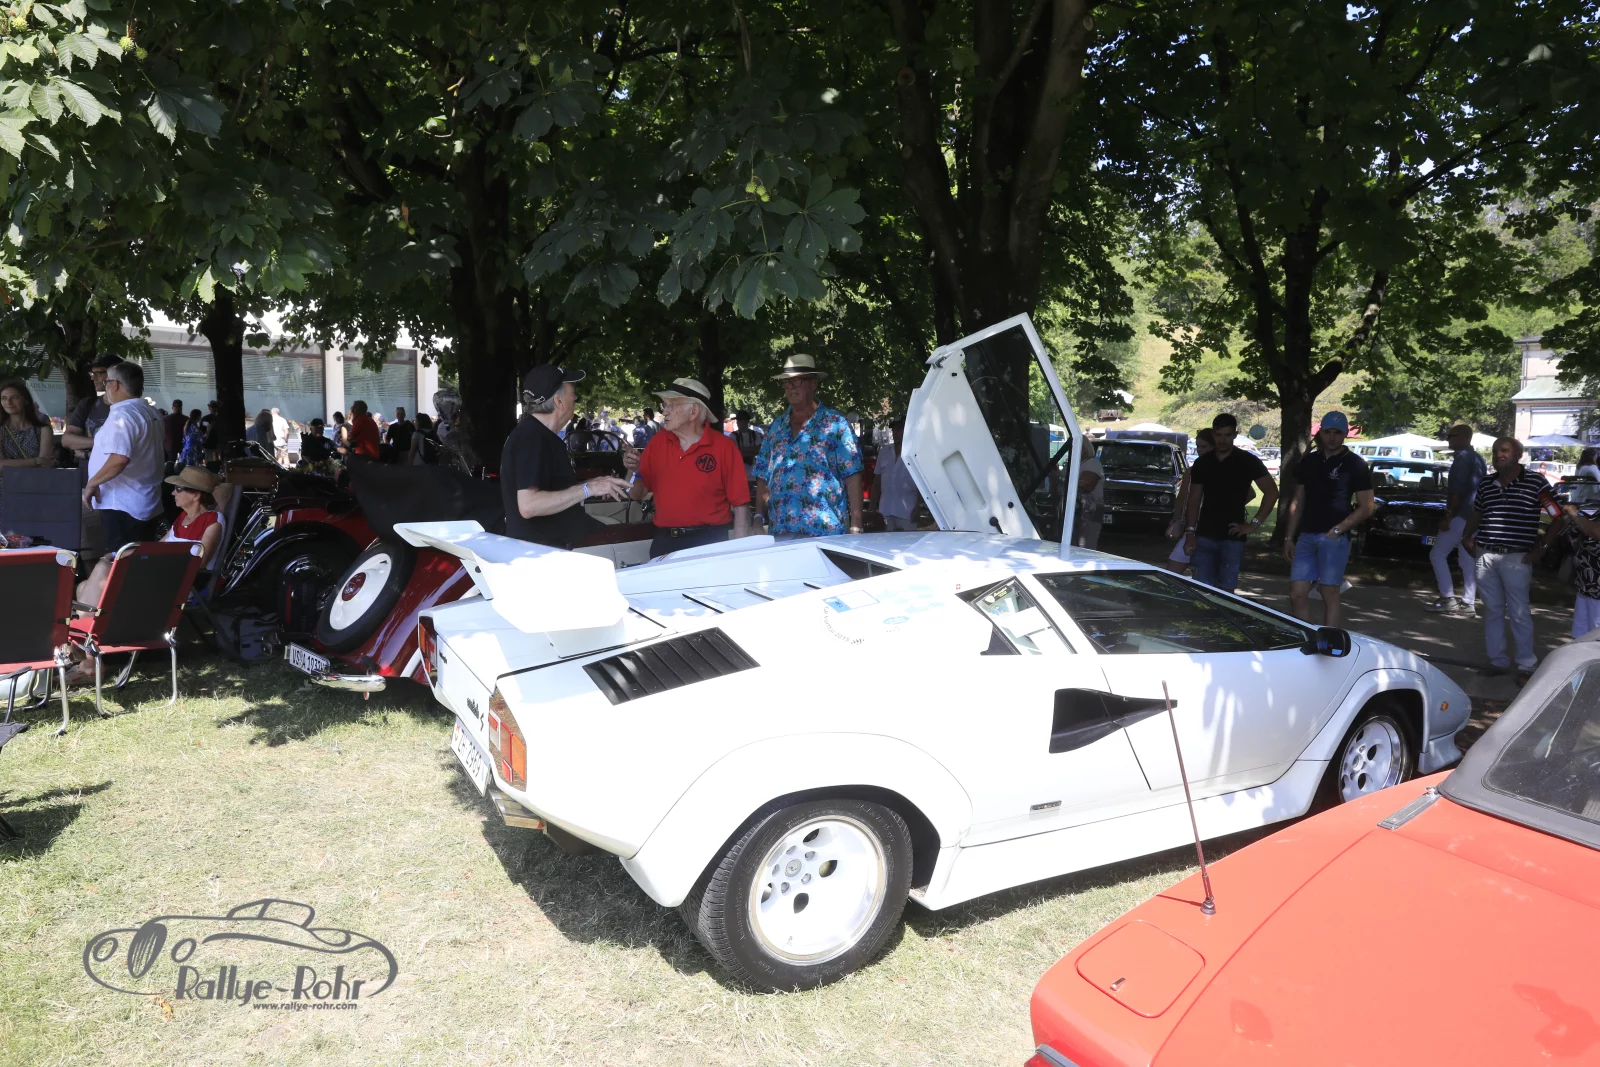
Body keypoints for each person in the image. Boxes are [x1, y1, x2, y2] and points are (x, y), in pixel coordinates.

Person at [1462, 437, 1562, 681]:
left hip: (1517, 557)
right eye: (1496, 450)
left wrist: (1542, 548)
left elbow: (1558, 517)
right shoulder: (1486, 483)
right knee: (1492, 610)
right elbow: (1478, 512)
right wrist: (1466, 536)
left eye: (1505, 450)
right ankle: (1497, 661)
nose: (1499, 454)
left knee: (1519, 612)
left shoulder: (1536, 483)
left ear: (1518, 455)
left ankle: (1526, 665)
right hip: (1485, 554)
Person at [501, 365, 630, 547]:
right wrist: (589, 488)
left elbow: (552, 491)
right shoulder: (532, 437)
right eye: (572, 393)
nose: (576, 398)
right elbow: (529, 505)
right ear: (559, 401)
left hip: (558, 546)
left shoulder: (538, 435)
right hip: (545, 552)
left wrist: (594, 484)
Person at [621, 378, 751, 557]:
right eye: (664, 405)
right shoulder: (657, 443)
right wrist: (633, 470)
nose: (664, 411)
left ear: (693, 411)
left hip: (711, 542)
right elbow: (636, 494)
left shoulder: (724, 447)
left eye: (672, 405)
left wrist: (740, 555)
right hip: (665, 542)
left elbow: (741, 506)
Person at [752, 353, 863, 539]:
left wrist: (856, 526)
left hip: (824, 531)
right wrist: (757, 518)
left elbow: (853, 474)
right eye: (786, 382)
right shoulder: (776, 428)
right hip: (781, 530)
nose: (790, 387)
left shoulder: (836, 424)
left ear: (813, 383)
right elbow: (763, 474)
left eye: (796, 381)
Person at [1281, 411, 1373, 627]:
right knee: (1297, 593)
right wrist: (1289, 537)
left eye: (1337, 433)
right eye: (1328, 432)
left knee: (1329, 593)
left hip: (1334, 538)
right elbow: (1298, 501)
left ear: (1345, 434)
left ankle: (1330, 641)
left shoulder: (1355, 464)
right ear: (1320, 433)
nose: (1332, 437)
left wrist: (1339, 530)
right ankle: (1307, 638)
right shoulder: (1309, 461)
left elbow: (1367, 507)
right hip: (1306, 536)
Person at [1183, 412, 1279, 592]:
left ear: (1235, 434)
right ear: (1213, 434)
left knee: (1226, 591)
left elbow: (1272, 492)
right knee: (1202, 589)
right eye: (1219, 435)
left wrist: (1254, 524)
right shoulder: (1203, 463)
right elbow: (1194, 499)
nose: (1222, 440)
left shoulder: (1247, 460)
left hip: (1233, 536)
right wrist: (1190, 531)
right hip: (1205, 533)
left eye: (1227, 435)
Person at [83, 361, 164, 550]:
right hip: (143, 500)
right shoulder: (151, 412)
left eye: (106, 382)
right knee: (138, 559)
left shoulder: (123, 415)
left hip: (122, 504)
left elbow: (119, 459)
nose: (105, 386)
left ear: (115, 384)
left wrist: (92, 483)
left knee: (123, 561)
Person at [1426, 422, 1488, 614]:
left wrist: (1448, 515)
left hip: (1460, 515)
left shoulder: (1462, 458)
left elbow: (1457, 492)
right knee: (1467, 559)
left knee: (1437, 554)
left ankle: (1447, 597)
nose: (1448, 440)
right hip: (1475, 515)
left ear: (1464, 437)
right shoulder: (1478, 459)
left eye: (1451, 436)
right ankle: (1468, 603)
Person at [1163, 428, 1214, 573]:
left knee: (1203, 573)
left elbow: (1249, 493)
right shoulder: (1192, 470)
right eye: (1198, 446)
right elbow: (1182, 497)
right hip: (1192, 526)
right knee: (1173, 570)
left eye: (1204, 446)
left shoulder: (1223, 470)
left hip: (1211, 528)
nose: (1200, 450)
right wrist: (1176, 519)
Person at [61, 353, 122, 465]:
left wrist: (85, 451)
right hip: (88, 470)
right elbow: (66, 440)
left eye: (98, 373)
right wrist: (103, 443)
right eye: (92, 373)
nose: (93, 378)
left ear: (115, 375)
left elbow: (124, 447)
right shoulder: (88, 404)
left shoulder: (129, 407)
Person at [1559, 503, 1600, 640]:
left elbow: (1596, 532)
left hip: (1597, 591)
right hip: (1585, 585)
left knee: (1596, 638)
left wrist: (1574, 515)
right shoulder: (1594, 511)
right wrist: (1568, 517)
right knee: (1580, 638)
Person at [872, 417, 920, 532]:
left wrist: (919, 506)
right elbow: (877, 481)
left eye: (899, 429)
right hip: (885, 510)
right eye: (893, 429)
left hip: (907, 511)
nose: (895, 433)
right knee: (885, 541)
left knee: (908, 541)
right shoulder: (884, 451)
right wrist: (872, 505)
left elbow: (922, 483)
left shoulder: (915, 453)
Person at [0, 379, 58, 468]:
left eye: (14, 397)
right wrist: (35, 461)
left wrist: (9, 463)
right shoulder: (1, 429)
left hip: (36, 477)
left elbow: (44, 464)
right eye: (4, 398)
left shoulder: (43, 430)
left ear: (26, 400)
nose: (8, 402)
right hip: (7, 477)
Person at [1073, 436, 1104, 549]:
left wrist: (1064, 481)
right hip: (1076, 513)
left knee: (1085, 546)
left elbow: (1086, 485)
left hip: (1089, 513)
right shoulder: (1075, 464)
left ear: (1085, 448)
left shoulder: (1092, 463)